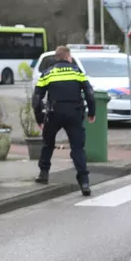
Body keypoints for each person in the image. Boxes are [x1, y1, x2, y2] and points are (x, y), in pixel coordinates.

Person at [32, 45, 95, 196]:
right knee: (77, 148)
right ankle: (84, 182)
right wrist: (91, 112)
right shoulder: (77, 72)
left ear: (56, 58)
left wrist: (39, 117)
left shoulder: (47, 74)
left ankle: (43, 174)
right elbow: (90, 93)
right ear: (68, 57)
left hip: (54, 114)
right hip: (74, 114)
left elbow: (36, 98)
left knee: (48, 143)